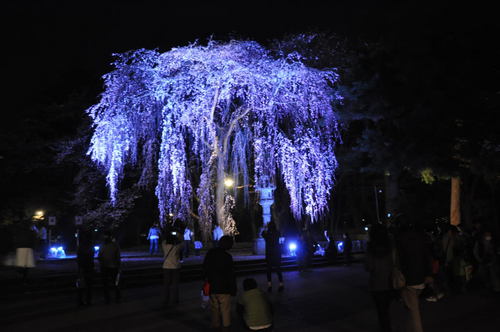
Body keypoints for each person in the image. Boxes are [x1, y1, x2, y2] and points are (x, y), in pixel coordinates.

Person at [396, 221, 433, 332]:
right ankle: (409, 328)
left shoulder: (400, 240)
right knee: (411, 308)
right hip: (421, 278)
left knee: (414, 311)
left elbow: (400, 261)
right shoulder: (421, 239)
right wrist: (428, 274)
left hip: (409, 280)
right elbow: (427, 257)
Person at [203, 235, 237, 332]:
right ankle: (226, 327)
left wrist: (206, 280)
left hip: (212, 285)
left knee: (214, 308)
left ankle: (215, 325)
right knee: (225, 309)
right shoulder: (227, 257)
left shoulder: (211, 253)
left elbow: (205, 267)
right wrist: (233, 289)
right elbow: (231, 274)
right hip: (224, 287)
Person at [365, 224, 394, 332]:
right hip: (390, 282)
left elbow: (368, 267)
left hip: (376, 283)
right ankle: (387, 327)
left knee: (381, 311)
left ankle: (385, 328)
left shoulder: (370, 248)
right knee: (386, 309)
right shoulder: (390, 246)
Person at [161, 231, 183, 307]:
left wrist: (168, 234)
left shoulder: (164, 245)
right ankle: (175, 299)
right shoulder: (177, 247)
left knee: (166, 284)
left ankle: (165, 299)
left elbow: (164, 239)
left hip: (166, 266)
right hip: (175, 267)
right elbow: (182, 241)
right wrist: (178, 234)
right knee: (175, 284)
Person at [98, 231, 121, 303]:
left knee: (108, 283)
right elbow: (118, 257)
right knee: (113, 283)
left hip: (108, 266)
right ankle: (114, 297)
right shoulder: (114, 245)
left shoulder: (104, 245)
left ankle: (109, 297)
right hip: (111, 266)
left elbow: (100, 256)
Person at [261, 222, 284, 293]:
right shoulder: (277, 233)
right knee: (278, 269)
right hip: (277, 253)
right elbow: (281, 240)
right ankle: (281, 284)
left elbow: (262, 234)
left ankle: (269, 285)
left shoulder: (267, 234)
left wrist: (265, 228)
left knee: (269, 270)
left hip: (269, 254)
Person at [13, 220, 37, 284]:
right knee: (26, 264)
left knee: (21, 263)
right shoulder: (31, 232)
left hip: (20, 248)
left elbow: (16, 239)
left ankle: (22, 276)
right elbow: (33, 240)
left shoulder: (19, 232)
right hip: (28, 248)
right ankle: (24, 277)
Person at [77, 231, 95, 306]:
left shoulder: (81, 247)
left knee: (82, 285)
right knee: (88, 285)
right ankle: (88, 300)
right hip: (88, 268)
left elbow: (78, 258)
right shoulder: (90, 247)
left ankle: (81, 300)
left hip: (83, 268)